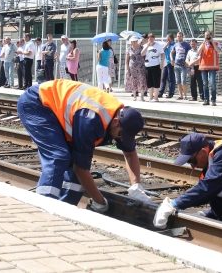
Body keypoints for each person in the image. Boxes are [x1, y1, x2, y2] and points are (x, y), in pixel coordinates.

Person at [17, 79, 151, 209]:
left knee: (74, 166)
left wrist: (136, 186)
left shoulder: (123, 121)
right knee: (58, 156)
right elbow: (81, 169)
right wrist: (100, 201)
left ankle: (65, 210)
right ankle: (44, 207)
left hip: (57, 109)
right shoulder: (90, 119)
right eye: (121, 135)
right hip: (37, 103)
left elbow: (130, 153)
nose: (121, 139)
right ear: (116, 122)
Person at [197, 31, 221, 106]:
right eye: (206, 35)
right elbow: (198, 52)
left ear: (211, 35)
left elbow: (219, 51)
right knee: (205, 84)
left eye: (208, 35)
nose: (207, 37)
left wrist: (212, 42)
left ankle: (213, 100)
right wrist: (204, 42)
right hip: (204, 66)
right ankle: (206, 100)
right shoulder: (203, 43)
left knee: (212, 83)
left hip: (212, 66)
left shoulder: (216, 43)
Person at [142, 33, 164, 102]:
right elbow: (142, 54)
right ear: (147, 39)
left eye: (152, 37)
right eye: (149, 38)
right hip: (148, 65)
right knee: (149, 82)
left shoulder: (158, 45)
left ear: (154, 38)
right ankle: (151, 97)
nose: (150, 39)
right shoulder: (145, 45)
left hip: (156, 65)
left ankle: (156, 97)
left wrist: (162, 62)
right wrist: (147, 45)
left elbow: (162, 54)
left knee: (156, 82)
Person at [125, 36, 147, 101]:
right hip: (132, 68)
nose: (133, 43)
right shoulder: (129, 49)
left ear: (137, 41)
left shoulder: (141, 48)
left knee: (142, 81)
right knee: (133, 81)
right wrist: (127, 69)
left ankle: (142, 96)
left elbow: (145, 57)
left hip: (141, 67)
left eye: (134, 41)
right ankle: (134, 96)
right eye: (132, 42)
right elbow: (127, 60)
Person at [171, 32, 191, 100]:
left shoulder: (187, 45)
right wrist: (172, 59)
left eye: (180, 36)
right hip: (176, 65)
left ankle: (185, 95)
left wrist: (188, 62)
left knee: (183, 81)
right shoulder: (175, 45)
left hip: (183, 65)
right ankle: (180, 95)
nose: (178, 37)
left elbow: (190, 53)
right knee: (178, 81)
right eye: (177, 36)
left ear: (182, 37)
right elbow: (172, 52)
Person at [158, 34, 176, 98]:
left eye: (167, 38)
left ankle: (171, 93)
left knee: (170, 79)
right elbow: (161, 51)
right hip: (165, 63)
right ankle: (160, 92)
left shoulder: (174, 45)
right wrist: (166, 45)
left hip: (171, 63)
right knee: (163, 78)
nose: (166, 39)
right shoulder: (166, 45)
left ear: (171, 38)